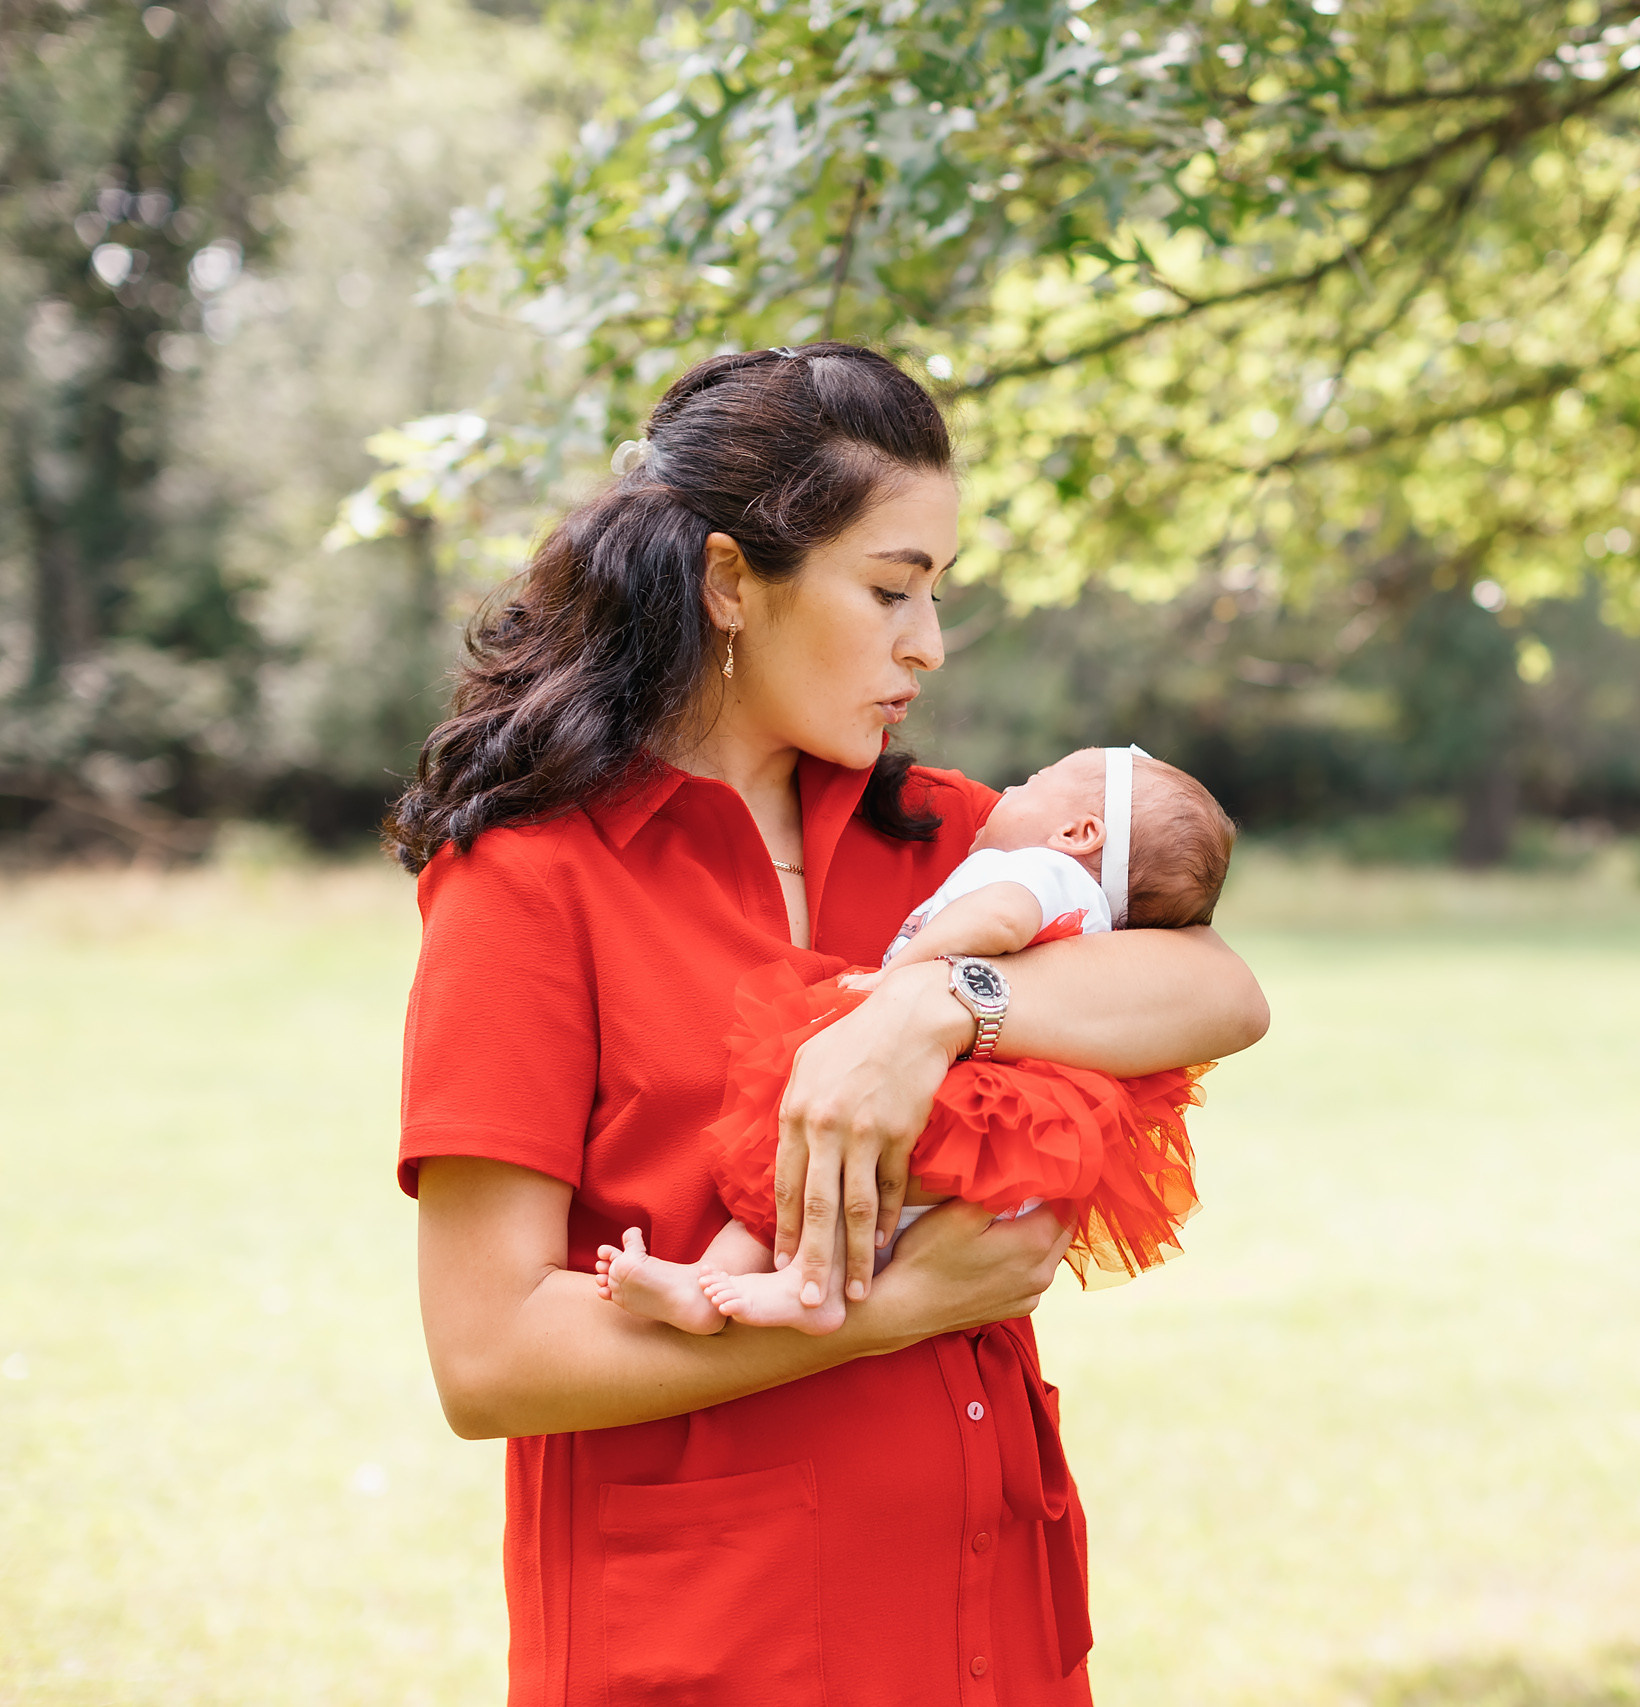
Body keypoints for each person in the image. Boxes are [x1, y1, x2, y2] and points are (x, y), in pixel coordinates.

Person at [394, 342, 1269, 1706]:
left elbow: (1220, 990)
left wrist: (935, 1006)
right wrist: (886, 1311)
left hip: (989, 1627)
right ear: (731, 583)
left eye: (938, 593)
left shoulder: (949, 839)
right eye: (890, 588)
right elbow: (487, 1353)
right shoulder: (530, 880)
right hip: (713, 1649)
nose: (928, 642)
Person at [593, 744, 1236, 1332]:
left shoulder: (1047, 871)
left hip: (964, 1091)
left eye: (1031, 781)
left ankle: (787, 1283)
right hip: (1000, 1120)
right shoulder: (1084, 908)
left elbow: (999, 920)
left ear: (1078, 832)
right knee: (828, 1170)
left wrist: (898, 979)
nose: (1008, 790)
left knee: (812, 1158)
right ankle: (750, 1288)